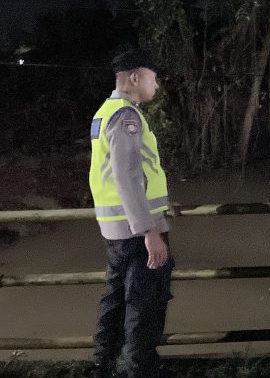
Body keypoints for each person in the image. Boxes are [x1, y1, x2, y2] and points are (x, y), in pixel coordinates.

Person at [89, 49, 173, 378]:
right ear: (135, 77)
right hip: (136, 229)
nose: (157, 85)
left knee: (115, 297)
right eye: (154, 78)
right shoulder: (127, 116)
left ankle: (104, 364)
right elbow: (126, 175)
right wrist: (149, 230)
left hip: (115, 226)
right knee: (144, 301)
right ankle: (141, 368)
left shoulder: (104, 112)